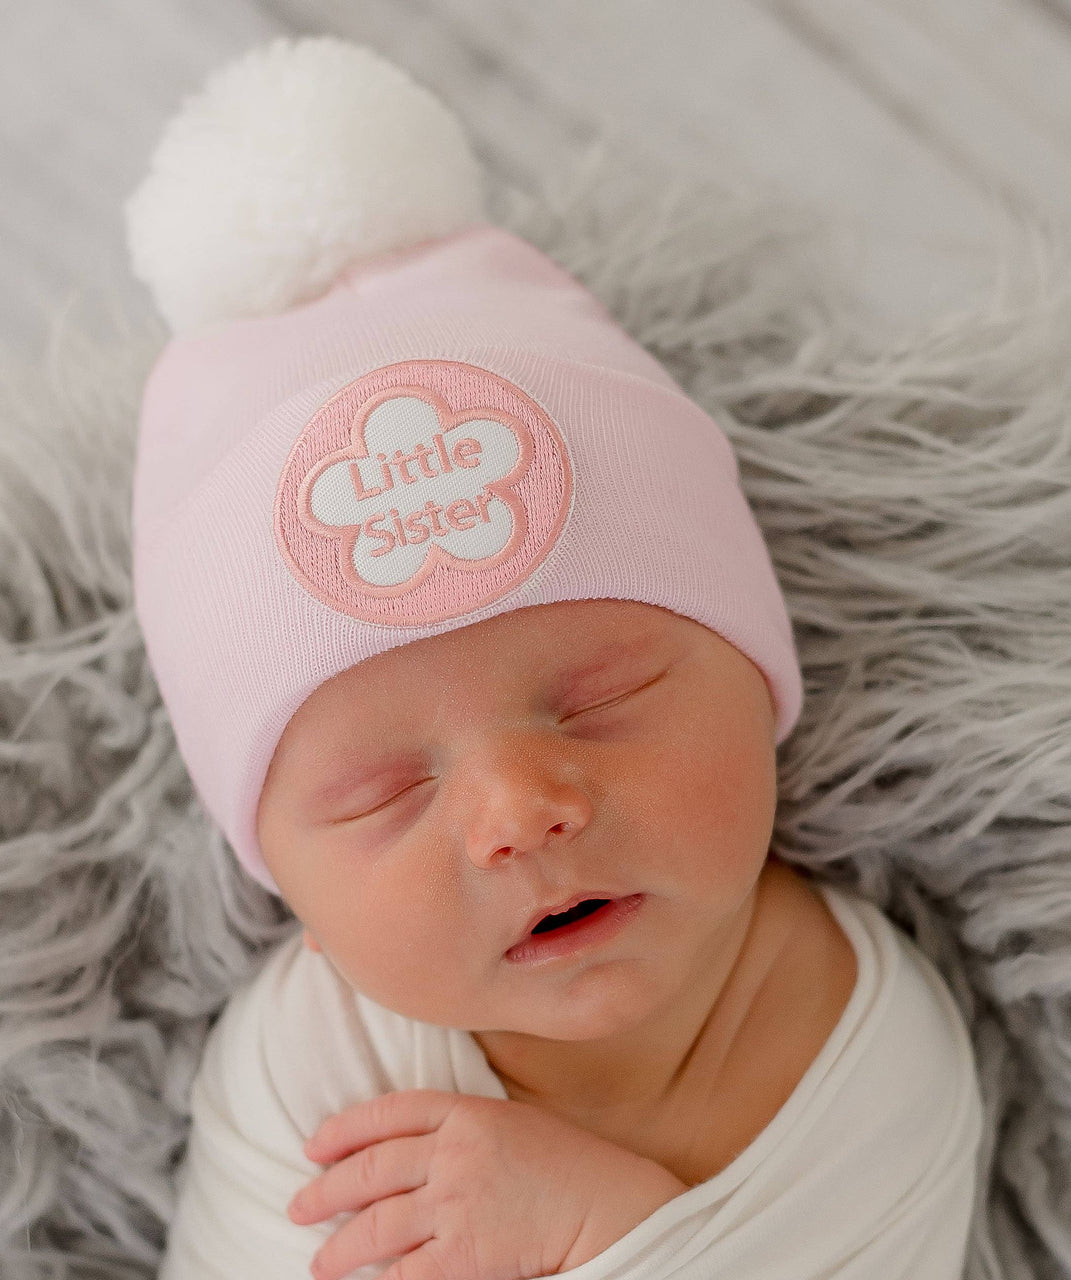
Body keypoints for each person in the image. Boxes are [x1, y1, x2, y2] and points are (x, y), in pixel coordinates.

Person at [124, 34, 983, 1280]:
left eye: (601, 701)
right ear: (293, 900)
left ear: (757, 682)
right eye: (382, 793)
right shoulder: (312, 1070)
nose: (518, 811)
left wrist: (614, 1234)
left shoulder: (875, 1047)